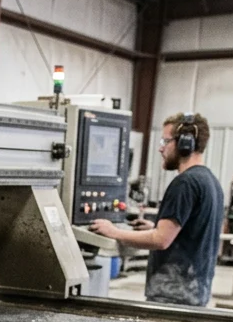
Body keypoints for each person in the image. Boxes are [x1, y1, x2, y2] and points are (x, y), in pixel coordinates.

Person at [89, 112, 224, 306]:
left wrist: (114, 232)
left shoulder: (185, 183)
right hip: (195, 294)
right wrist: (153, 227)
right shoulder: (210, 182)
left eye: (166, 141)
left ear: (185, 143)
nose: (161, 148)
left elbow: (161, 240)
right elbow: (189, 232)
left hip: (173, 297)